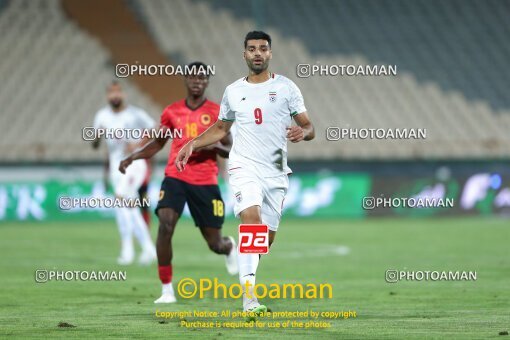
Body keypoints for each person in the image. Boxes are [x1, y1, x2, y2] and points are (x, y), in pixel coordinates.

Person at [175, 32, 315, 314]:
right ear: (245, 55)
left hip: (275, 171)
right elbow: (221, 128)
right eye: (252, 49)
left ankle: (247, 267)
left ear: (270, 53)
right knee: (251, 219)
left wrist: (304, 131)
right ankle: (249, 298)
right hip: (243, 166)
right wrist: (192, 143)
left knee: (265, 239)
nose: (258, 53)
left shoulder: (287, 88)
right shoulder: (233, 91)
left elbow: (309, 127)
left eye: (263, 49)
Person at [119, 62, 238, 304]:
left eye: (202, 78)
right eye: (193, 77)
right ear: (185, 79)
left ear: (207, 82)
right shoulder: (171, 112)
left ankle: (228, 247)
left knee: (214, 243)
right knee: (165, 225)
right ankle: (166, 290)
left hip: (205, 181)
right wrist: (133, 156)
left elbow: (229, 149)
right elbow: (158, 143)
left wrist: (208, 144)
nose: (197, 81)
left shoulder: (217, 112)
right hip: (175, 177)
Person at [92, 81, 157, 265]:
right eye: (111, 93)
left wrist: (137, 145)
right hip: (116, 167)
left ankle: (130, 249)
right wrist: (97, 137)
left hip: (135, 164)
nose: (114, 96)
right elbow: (95, 144)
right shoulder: (102, 116)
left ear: (123, 95)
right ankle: (144, 248)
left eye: (117, 92)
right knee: (127, 207)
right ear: (107, 96)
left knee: (121, 198)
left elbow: (155, 128)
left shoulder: (135, 114)